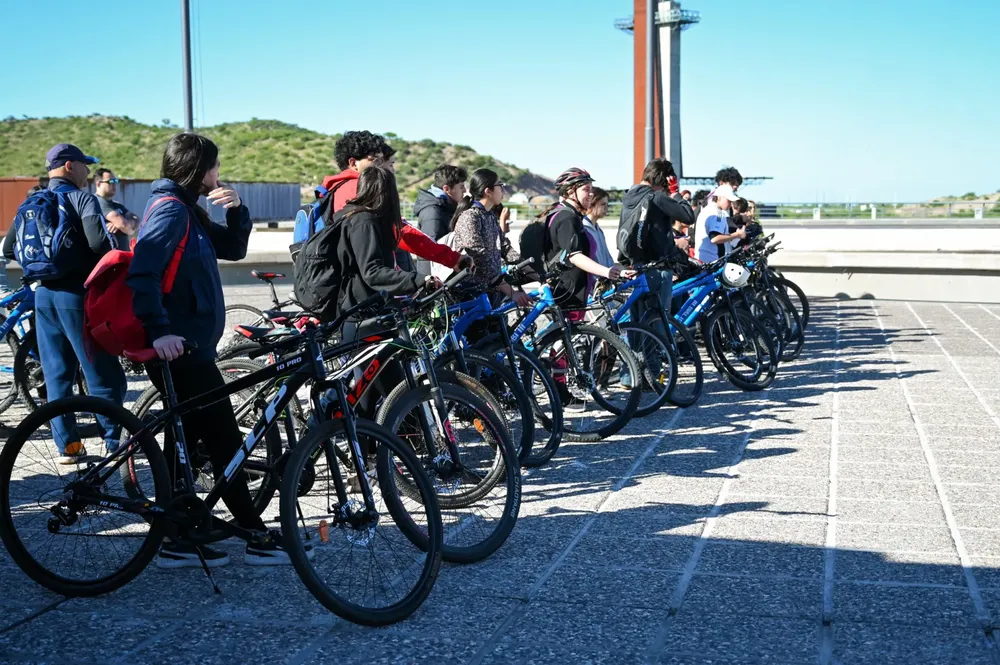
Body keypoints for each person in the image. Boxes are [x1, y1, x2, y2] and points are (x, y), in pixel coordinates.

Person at [128, 133, 298, 568]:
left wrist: (238, 210)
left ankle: (185, 533)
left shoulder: (189, 211)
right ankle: (245, 533)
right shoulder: (169, 212)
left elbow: (234, 248)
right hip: (178, 347)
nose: (218, 175)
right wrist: (158, 331)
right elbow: (142, 274)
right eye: (214, 167)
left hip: (192, 346)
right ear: (198, 168)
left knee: (194, 438)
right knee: (222, 436)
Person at [5, 144, 126, 465]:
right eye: (85, 166)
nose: (88, 172)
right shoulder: (81, 198)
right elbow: (99, 243)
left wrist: (46, 268)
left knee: (57, 374)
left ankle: (69, 448)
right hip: (78, 296)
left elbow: (8, 248)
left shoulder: (31, 202)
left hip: (43, 296)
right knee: (100, 370)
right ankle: (116, 442)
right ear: (70, 166)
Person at [334, 162, 442, 418]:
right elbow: (372, 272)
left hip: (367, 315)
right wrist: (417, 280)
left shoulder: (364, 219)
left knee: (367, 396)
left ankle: (365, 452)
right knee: (401, 396)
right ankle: (416, 452)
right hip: (362, 319)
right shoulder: (363, 221)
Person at [321, 131, 467, 275]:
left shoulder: (336, 189)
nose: (383, 167)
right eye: (376, 161)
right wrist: (452, 258)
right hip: (365, 286)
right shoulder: (360, 189)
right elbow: (402, 232)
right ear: (353, 163)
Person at [618, 159, 695, 306]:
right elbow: (688, 216)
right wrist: (675, 193)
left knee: (640, 321)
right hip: (657, 268)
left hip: (637, 266)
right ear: (665, 180)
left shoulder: (629, 196)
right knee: (658, 320)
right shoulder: (656, 197)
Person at [450, 168, 530, 305]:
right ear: (488, 191)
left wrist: (531, 270)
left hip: (492, 290)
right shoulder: (470, 217)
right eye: (500, 185)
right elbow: (479, 259)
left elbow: (505, 248)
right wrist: (510, 291)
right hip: (473, 294)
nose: (503, 190)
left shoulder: (489, 216)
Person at [412, 164, 468, 275]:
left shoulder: (446, 206)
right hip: (437, 280)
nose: (465, 190)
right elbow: (429, 251)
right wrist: (430, 283)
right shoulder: (433, 212)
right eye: (461, 187)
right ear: (447, 189)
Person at [693, 183, 744, 263]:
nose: (731, 204)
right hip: (711, 262)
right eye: (729, 200)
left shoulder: (711, 210)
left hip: (706, 260)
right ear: (719, 197)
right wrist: (737, 235)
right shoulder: (715, 212)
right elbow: (715, 238)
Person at [93, 168, 138, 247]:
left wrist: (121, 224)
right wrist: (126, 225)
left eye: (115, 181)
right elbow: (124, 225)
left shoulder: (117, 205)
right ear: (99, 184)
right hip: (111, 256)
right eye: (110, 181)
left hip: (122, 255)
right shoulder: (97, 202)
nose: (114, 184)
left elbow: (136, 219)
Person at [583, 187, 615, 269]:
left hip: (605, 278)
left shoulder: (598, 230)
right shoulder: (583, 229)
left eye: (607, 204)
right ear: (591, 204)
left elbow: (607, 260)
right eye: (603, 204)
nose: (606, 208)